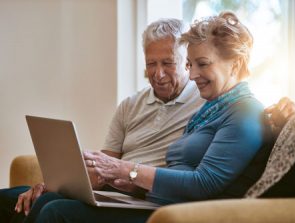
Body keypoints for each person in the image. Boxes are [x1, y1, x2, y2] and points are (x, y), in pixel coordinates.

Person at [3, 11, 277, 223]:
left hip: (178, 212)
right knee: (39, 202)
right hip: (154, 200)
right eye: (191, 65)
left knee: (56, 212)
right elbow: (178, 172)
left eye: (201, 64)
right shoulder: (212, 106)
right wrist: (127, 183)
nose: (192, 75)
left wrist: (128, 171)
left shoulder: (244, 111)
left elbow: (204, 183)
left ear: (237, 64)